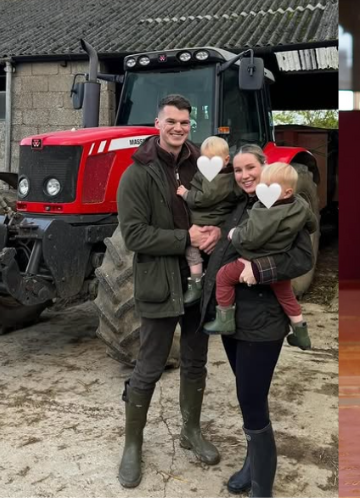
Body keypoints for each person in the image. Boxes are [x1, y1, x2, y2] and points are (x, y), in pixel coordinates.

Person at [115, 94, 223, 488]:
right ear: (157, 124)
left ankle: (190, 431)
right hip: (160, 280)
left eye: (184, 122)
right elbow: (134, 235)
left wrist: (218, 230)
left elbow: (227, 205)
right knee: (149, 365)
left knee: (196, 361)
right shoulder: (137, 174)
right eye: (171, 121)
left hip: (201, 279)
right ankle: (132, 445)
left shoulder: (204, 165)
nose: (178, 128)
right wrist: (185, 238)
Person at [199, 145, 314, 497]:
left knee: (250, 397)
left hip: (262, 322)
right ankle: (253, 466)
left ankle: (262, 486)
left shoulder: (286, 208)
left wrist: (260, 269)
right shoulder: (240, 206)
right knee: (250, 395)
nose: (244, 175)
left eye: (251, 167)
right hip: (235, 320)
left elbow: (302, 259)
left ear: (265, 167)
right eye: (238, 170)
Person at [202, 161, 318, 352]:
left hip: (255, 259)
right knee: (286, 295)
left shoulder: (266, 212)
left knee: (223, 276)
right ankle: (301, 332)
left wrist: (235, 234)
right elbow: (312, 224)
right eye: (262, 184)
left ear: (287, 192)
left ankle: (224, 318)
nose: (262, 190)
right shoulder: (301, 205)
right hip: (278, 262)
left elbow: (251, 237)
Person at [177, 136, 240, 304]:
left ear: (226, 160)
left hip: (204, 220)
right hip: (215, 219)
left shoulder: (215, 178)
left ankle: (196, 282)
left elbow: (205, 198)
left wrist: (186, 194)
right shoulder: (229, 175)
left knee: (190, 247)